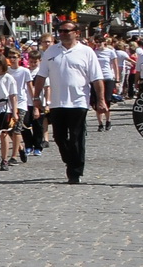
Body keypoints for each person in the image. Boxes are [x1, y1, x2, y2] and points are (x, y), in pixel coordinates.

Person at [33, 20, 106, 185]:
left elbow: (97, 78)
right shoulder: (51, 51)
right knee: (58, 137)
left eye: (67, 31)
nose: (63, 34)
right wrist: (36, 97)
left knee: (75, 137)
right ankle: (70, 160)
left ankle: (75, 171)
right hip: (57, 102)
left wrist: (101, 100)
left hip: (78, 101)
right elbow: (41, 76)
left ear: (76, 33)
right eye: (60, 31)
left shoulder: (86, 52)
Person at [9, 48, 38, 160]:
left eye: (14, 57)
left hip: (21, 103)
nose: (12, 59)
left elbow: (30, 89)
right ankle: (20, 147)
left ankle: (14, 156)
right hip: (9, 104)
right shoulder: (6, 71)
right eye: (10, 57)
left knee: (17, 129)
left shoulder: (24, 71)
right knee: (9, 131)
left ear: (19, 58)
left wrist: (35, 107)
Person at [89, 32, 117, 131]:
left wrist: (117, 78)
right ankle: (100, 123)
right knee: (97, 101)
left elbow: (114, 65)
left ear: (104, 42)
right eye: (97, 42)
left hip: (108, 77)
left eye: (100, 41)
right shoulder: (93, 52)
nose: (99, 43)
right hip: (96, 78)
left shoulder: (110, 52)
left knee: (107, 100)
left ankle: (108, 120)